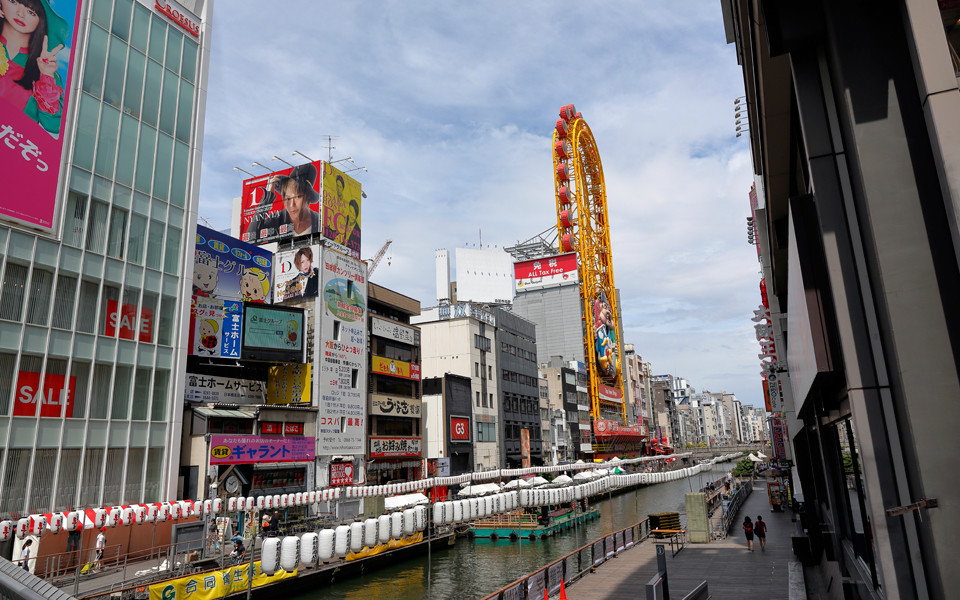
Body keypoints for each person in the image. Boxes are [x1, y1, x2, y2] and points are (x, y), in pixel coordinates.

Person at [0, 0, 68, 136]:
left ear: (41, 21)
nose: (20, 14)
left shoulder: (46, 72)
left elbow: (54, 124)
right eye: (13, 2)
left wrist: (46, 76)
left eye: (31, 11)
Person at [244, 164, 320, 243]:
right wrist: (267, 199)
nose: (291, 205)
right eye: (288, 198)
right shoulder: (276, 220)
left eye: (297, 197)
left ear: (308, 197)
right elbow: (250, 241)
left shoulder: (319, 222)